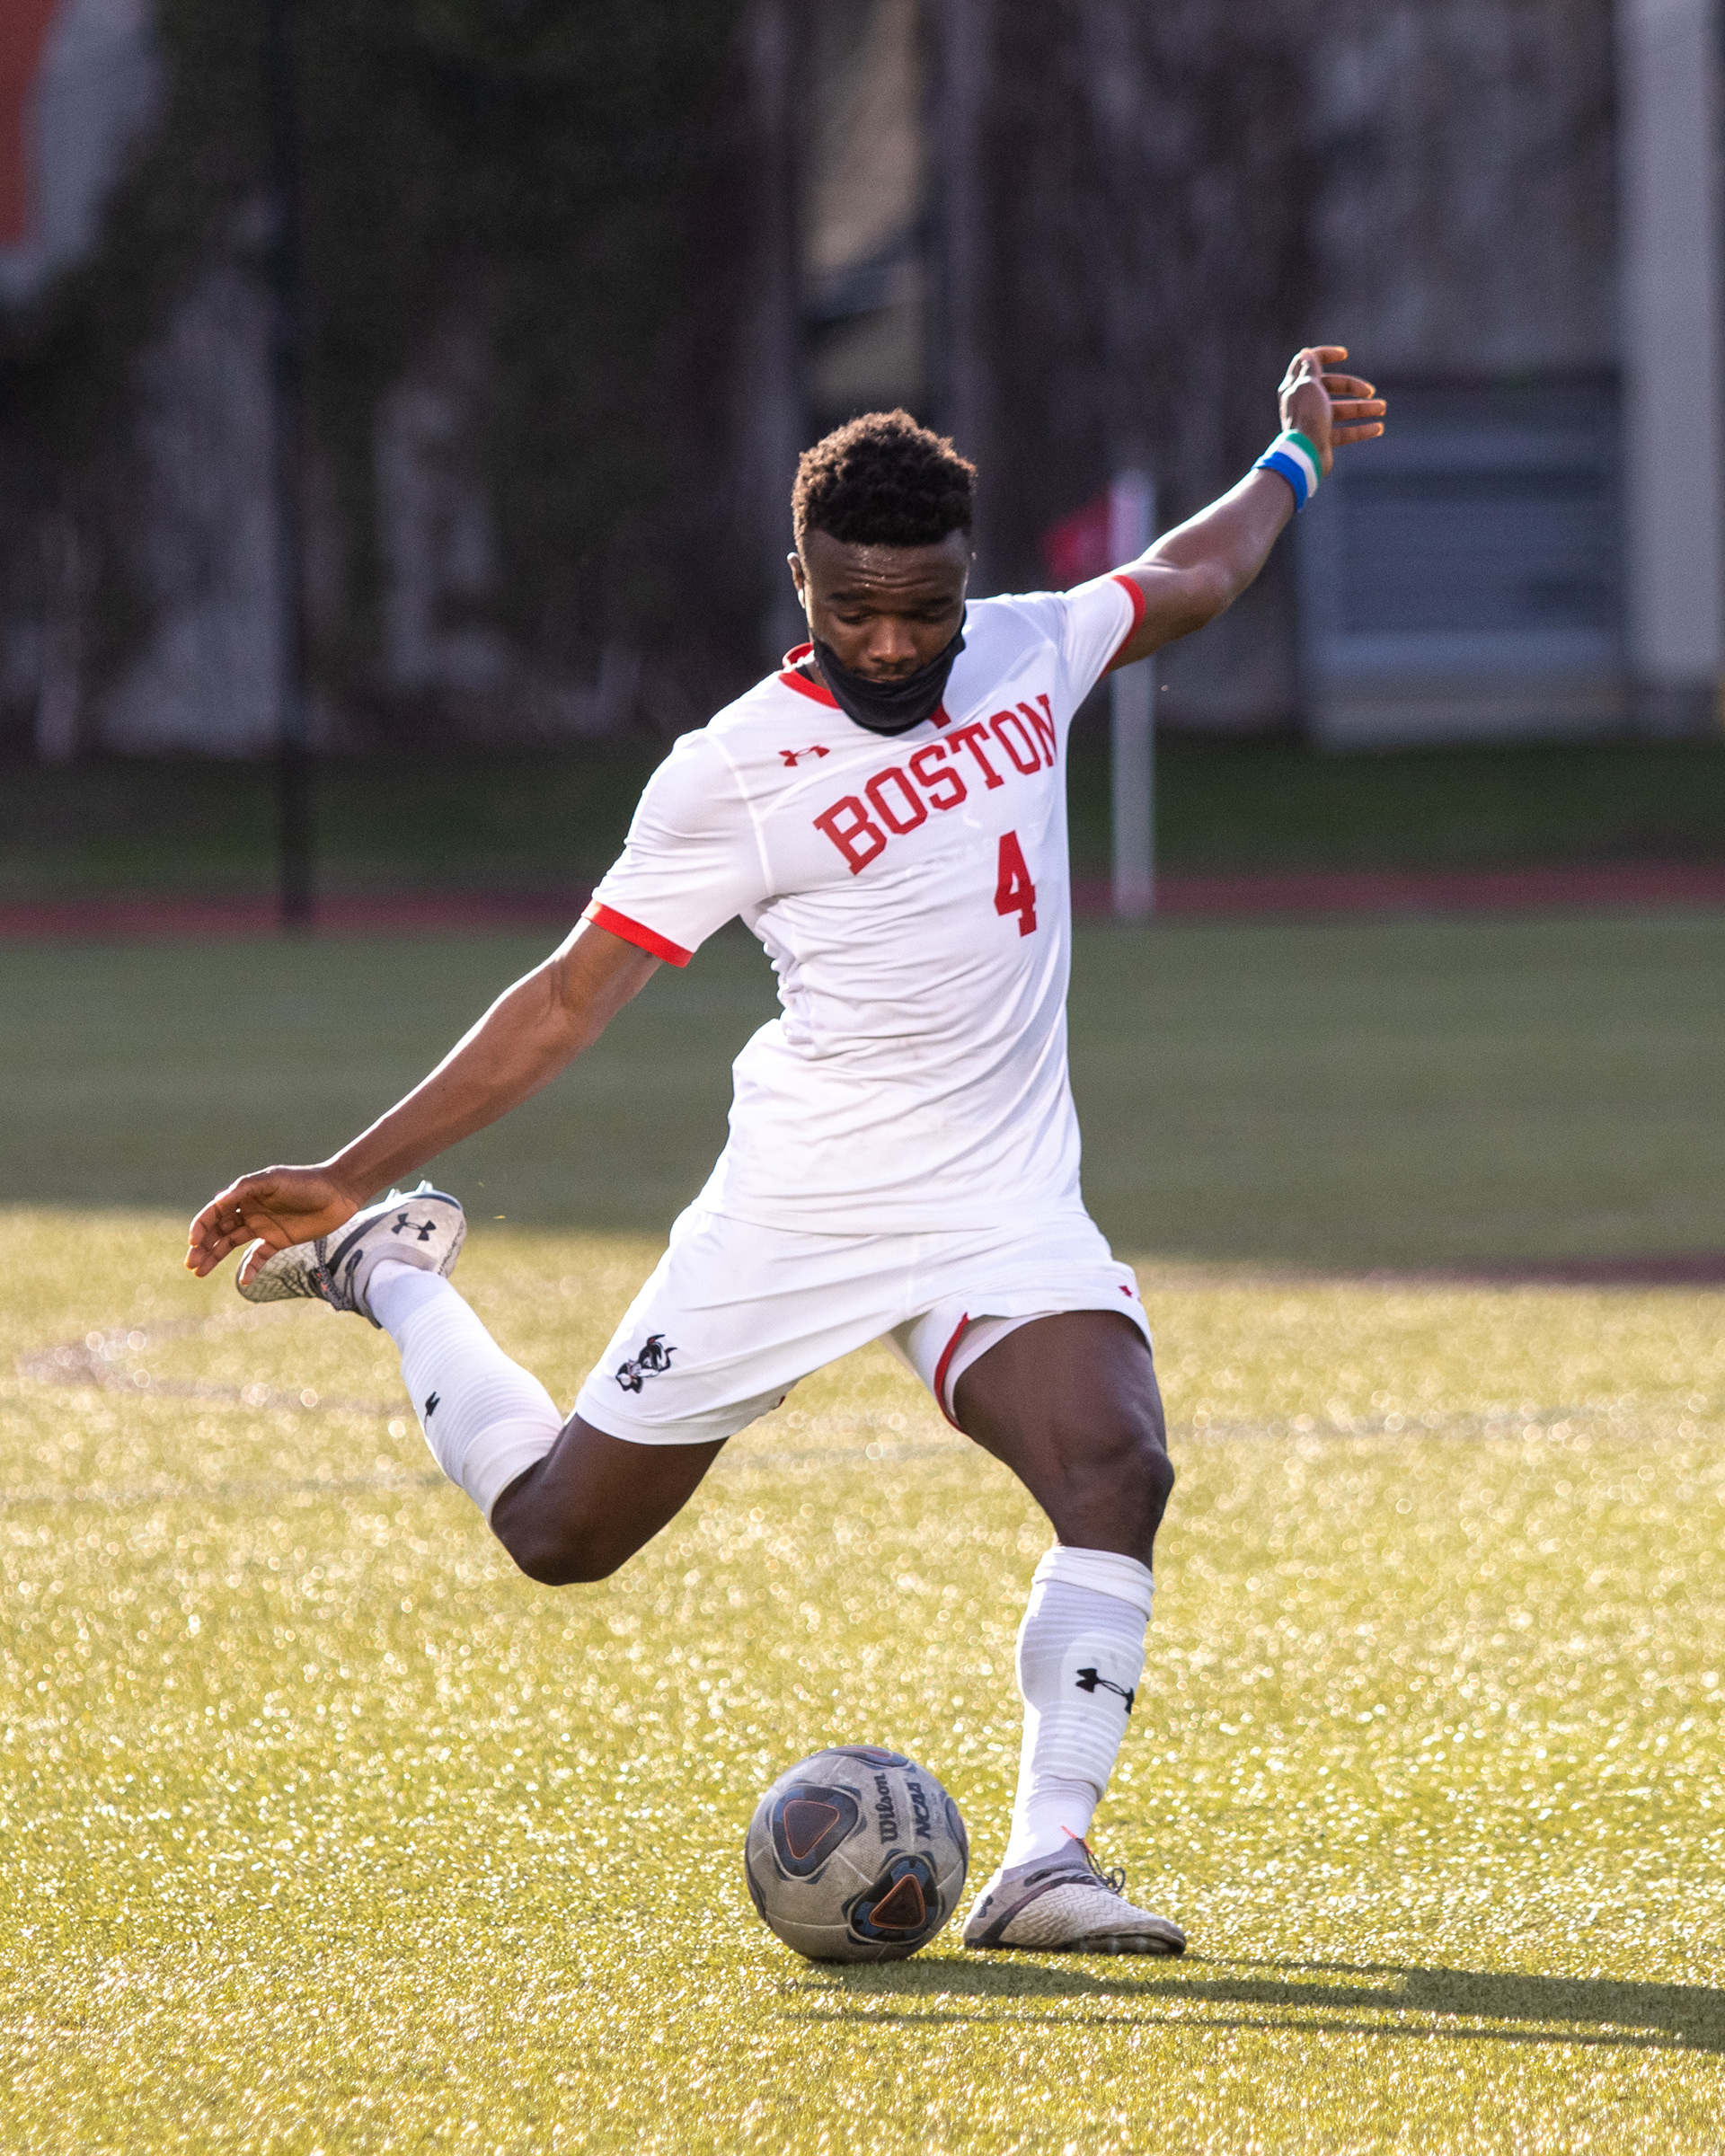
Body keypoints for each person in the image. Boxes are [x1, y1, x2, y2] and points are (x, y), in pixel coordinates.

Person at [186, 347, 1385, 1955]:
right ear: (800, 580)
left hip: (1000, 1198)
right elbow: (568, 998)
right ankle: (391, 1272)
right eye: (854, 609)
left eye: (924, 610)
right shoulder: (733, 769)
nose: (891, 644)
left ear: (967, 581)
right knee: (560, 1536)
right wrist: (352, 1167)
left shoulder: (1030, 647)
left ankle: (1047, 1861)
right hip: (805, 1202)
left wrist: (1293, 458)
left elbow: (1196, 575)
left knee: (1118, 1467)